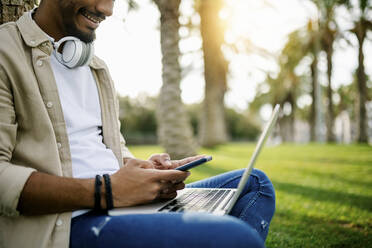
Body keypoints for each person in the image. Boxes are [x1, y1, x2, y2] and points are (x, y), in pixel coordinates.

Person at [0, 0, 276, 247]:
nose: (108, 9)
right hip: (70, 222)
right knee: (235, 238)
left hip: (120, 202)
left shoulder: (96, 67)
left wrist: (146, 170)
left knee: (255, 184)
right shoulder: (5, 52)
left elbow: (113, 150)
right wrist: (106, 191)